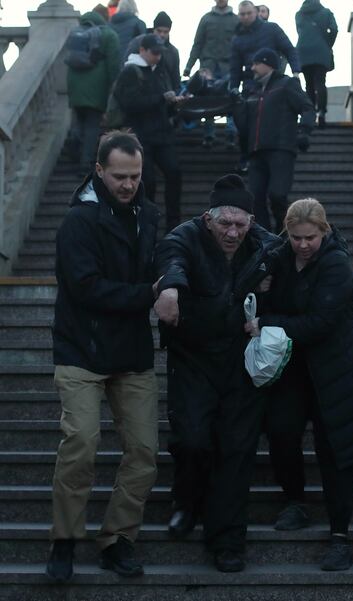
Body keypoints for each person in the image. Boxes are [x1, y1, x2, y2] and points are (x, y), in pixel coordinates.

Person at [245, 198, 353, 571]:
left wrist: (269, 322)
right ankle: (295, 502)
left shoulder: (337, 263)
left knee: (335, 448)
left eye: (310, 237)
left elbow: (320, 321)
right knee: (281, 431)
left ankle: (340, 536)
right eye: (295, 237)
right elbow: (258, 291)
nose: (303, 244)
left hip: (338, 368)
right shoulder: (280, 255)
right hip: (293, 365)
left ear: (325, 231)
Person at [46, 131, 160, 582]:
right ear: (98, 171)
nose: (129, 184)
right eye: (119, 176)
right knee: (80, 445)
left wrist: (170, 279)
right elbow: (85, 287)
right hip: (81, 349)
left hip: (132, 351)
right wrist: (149, 295)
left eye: (135, 175)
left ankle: (118, 539)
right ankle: (65, 541)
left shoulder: (148, 214)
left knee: (144, 451)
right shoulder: (78, 222)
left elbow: (163, 258)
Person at [154, 174, 278, 573]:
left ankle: (227, 539)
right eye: (225, 223)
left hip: (241, 362)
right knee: (192, 439)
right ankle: (186, 501)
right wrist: (170, 288)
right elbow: (171, 258)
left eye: (240, 225)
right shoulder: (186, 236)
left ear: (251, 221)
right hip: (193, 357)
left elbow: (304, 249)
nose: (232, 232)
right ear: (208, 218)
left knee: (237, 448)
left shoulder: (262, 244)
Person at [234, 48, 315, 232]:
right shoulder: (252, 90)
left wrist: (304, 131)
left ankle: (284, 230)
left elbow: (307, 107)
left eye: (256, 63)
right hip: (256, 152)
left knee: (277, 195)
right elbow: (245, 125)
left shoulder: (287, 84)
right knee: (255, 199)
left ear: (267, 64)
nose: (252, 68)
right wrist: (237, 106)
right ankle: (266, 239)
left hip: (281, 149)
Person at [114, 33, 183, 232]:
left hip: (162, 133)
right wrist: (161, 98)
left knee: (174, 172)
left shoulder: (159, 70)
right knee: (148, 181)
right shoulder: (130, 72)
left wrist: (173, 104)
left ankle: (173, 222)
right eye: (154, 52)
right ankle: (146, 223)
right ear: (142, 50)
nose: (158, 57)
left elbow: (160, 102)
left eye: (160, 53)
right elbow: (129, 103)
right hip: (141, 135)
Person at [230, 0, 301, 172]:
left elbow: (289, 49)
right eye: (242, 14)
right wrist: (233, 87)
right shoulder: (237, 38)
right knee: (245, 123)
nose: (245, 17)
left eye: (248, 13)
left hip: (273, 82)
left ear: (255, 12)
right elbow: (235, 66)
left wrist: (296, 72)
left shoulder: (271, 29)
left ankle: (273, 155)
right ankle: (246, 156)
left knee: (272, 121)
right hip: (249, 84)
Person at [66, 11, 120, 176]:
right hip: (97, 85)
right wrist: (114, 84)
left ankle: (74, 140)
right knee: (91, 125)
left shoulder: (75, 32)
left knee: (78, 119)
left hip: (74, 82)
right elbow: (113, 63)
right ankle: (85, 163)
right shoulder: (109, 35)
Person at [183, 0, 238, 147]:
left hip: (228, 67)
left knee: (230, 99)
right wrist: (189, 67)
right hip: (208, 68)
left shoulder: (236, 19)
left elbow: (240, 45)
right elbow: (198, 44)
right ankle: (208, 135)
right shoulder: (206, 19)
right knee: (207, 101)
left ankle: (231, 133)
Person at [295, 0, 338, 128]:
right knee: (320, 82)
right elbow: (334, 29)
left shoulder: (299, 14)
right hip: (321, 50)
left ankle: (310, 114)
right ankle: (322, 112)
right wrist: (327, 43)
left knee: (308, 84)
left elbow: (300, 31)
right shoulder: (326, 12)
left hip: (303, 50)